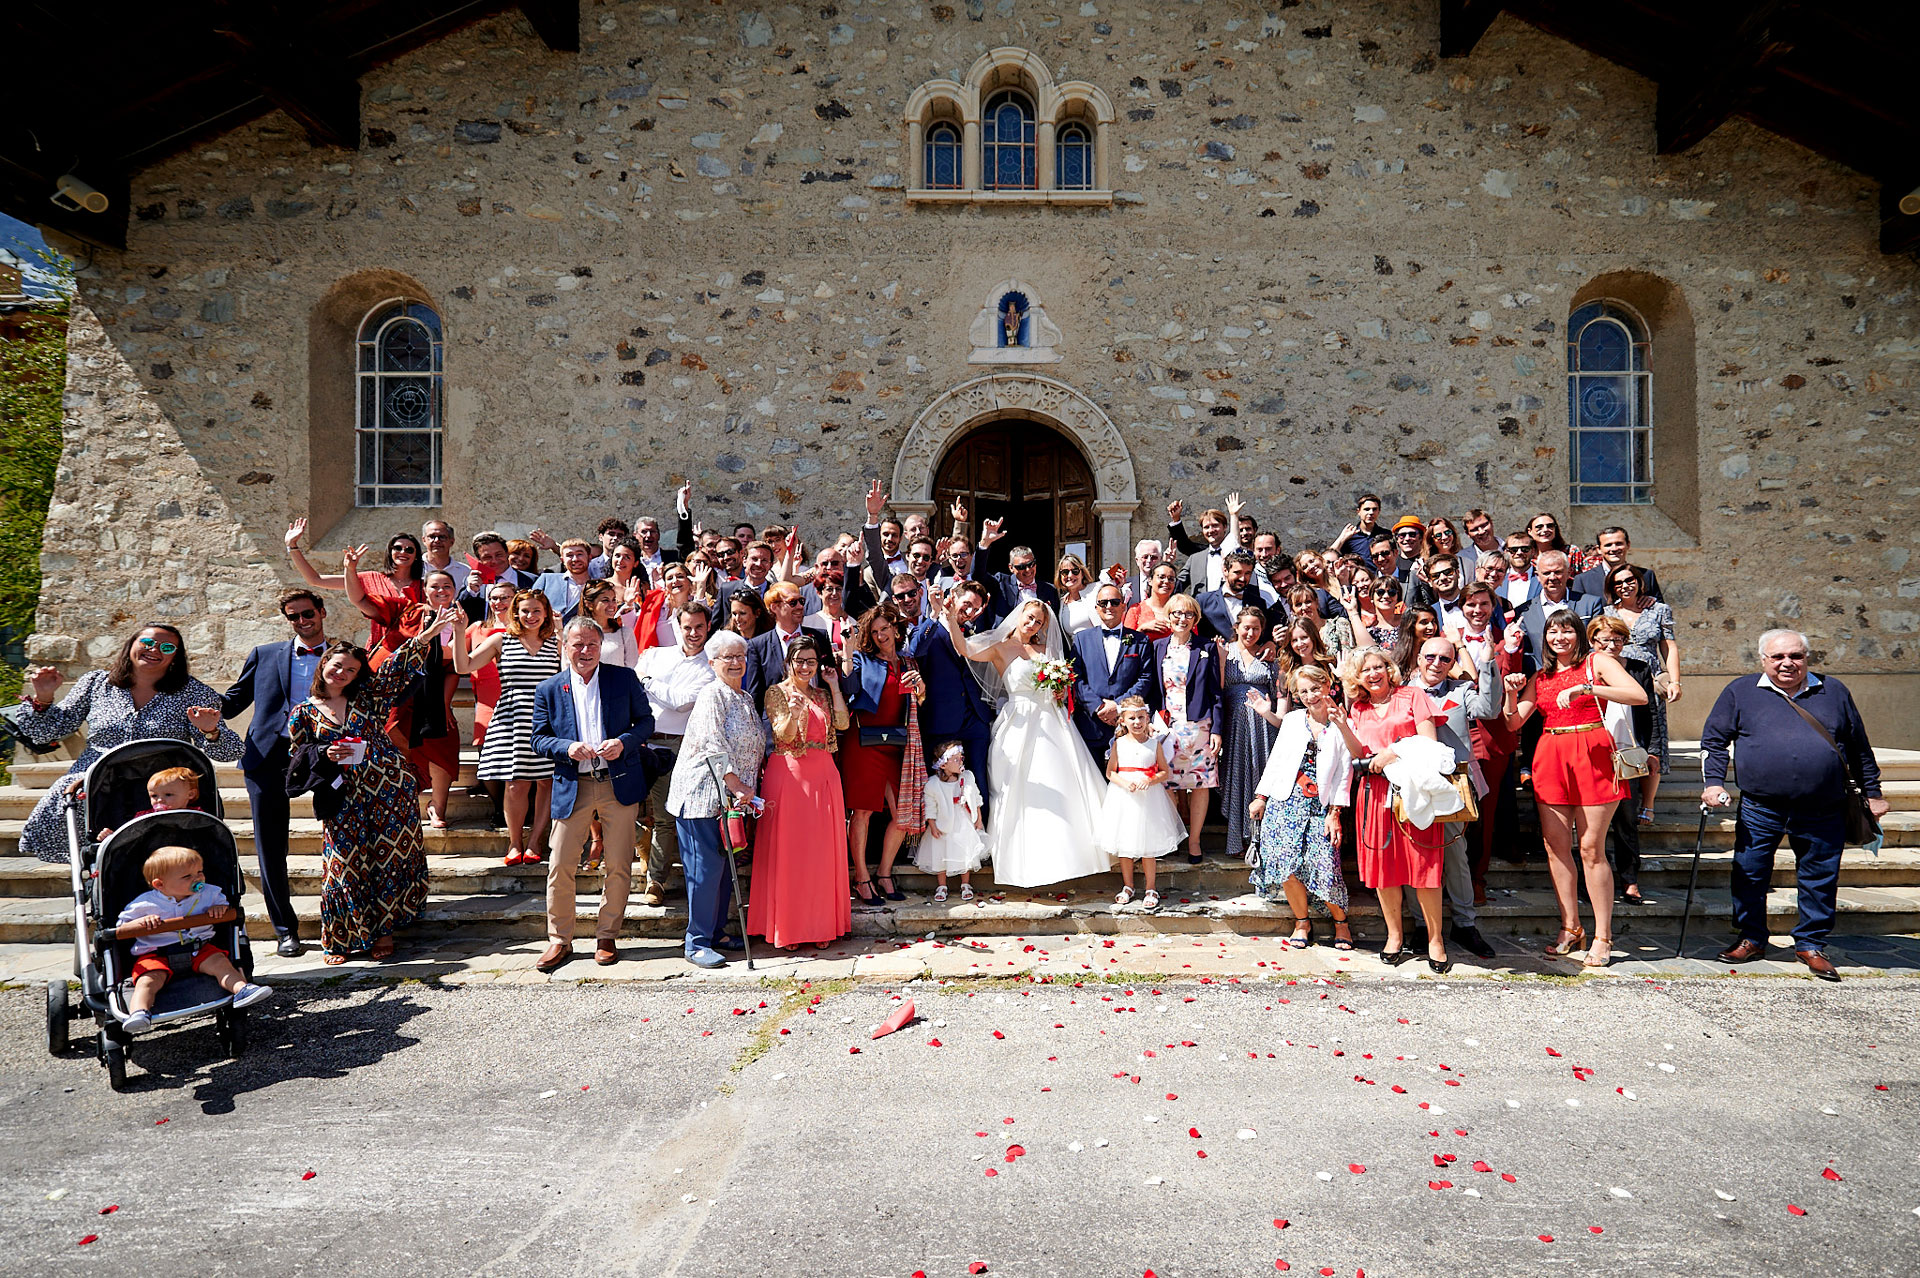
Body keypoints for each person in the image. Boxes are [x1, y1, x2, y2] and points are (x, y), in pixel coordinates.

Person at [1701, 629, 1886, 980]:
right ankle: (1751, 937)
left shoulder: (1834, 691)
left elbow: (1859, 746)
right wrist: (1713, 783)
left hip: (1823, 806)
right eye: (1778, 657)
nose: (1788, 663)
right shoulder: (1740, 691)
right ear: (1763, 660)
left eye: (1796, 656)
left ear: (1807, 658)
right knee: (1750, 872)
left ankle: (1810, 943)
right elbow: (1714, 741)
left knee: (1819, 876)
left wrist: (1873, 793)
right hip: (1761, 806)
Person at [291, 621, 453, 962]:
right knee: (343, 864)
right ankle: (341, 936)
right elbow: (297, 759)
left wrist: (423, 637)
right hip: (342, 795)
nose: (342, 673)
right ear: (324, 664)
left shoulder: (369, 698)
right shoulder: (303, 713)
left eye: (350, 670)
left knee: (388, 858)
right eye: (337, 666)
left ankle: (383, 931)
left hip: (388, 789)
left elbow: (395, 670)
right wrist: (324, 753)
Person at [16, 626, 243, 863]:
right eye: (147, 642)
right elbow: (44, 734)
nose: (154, 649)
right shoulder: (96, 683)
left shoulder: (194, 693)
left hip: (159, 787)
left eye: (167, 647)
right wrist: (43, 697)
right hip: (96, 782)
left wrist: (210, 731)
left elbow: (232, 752)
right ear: (131, 644)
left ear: (175, 656)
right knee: (71, 796)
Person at [1504, 609, 1648, 969]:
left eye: (1567, 631)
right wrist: (1509, 693)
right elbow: (1513, 722)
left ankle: (1603, 936)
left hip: (1593, 753)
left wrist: (1589, 688)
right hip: (1551, 754)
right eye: (1553, 632)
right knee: (1555, 847)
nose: (1560, 637)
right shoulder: (1543, 675)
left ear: (1578, 635)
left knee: (1590, 848)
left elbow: (1638, 694)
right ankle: (1571, 926)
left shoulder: (1596, 661)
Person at [941, 596, 1108, 887]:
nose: (1032, 624)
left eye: (1039, 621)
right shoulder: (1000, 648)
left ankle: (1070, 853)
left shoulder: (1046, 649)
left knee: (1062, 782)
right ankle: (1020, 858)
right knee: (1016, 787)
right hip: (1018, 722)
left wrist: (1058, 688)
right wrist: (952, 619)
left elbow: (1064, 687)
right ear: (1019, 615)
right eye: (1029, 618)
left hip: (1053, 722)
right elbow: (964, 649)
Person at [528, 618, 658, 972]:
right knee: (560, 864)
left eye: (591, 645)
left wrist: (623, 742)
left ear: (602, 647)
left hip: (618, 783)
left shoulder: (622, 678)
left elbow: (645, 722)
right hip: (574, 784)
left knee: (618, 864)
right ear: (564, 646)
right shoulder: (550, 688)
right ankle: (559, 939)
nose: (584, 651)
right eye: (577, 644)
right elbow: (537, 738)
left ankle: (606, 935)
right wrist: (567, 747)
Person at [217, 588, 333, 956]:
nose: (302, 621)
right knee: (270, 847)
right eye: (293, 616)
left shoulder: (342, 655)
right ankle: (286, 930)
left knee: (348, 838)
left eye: (307, 613)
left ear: (322, 611)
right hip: (268, 755)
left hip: (325, 754)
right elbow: (232, 702)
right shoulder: (265, 655)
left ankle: (349, 923)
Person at [1342, 646, 1450, 972]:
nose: (1374, 674)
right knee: (1383, 868)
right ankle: (1394, 935)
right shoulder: (1358, 708)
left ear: (1389, 668)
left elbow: (1430, 744)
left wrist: (1394, 751)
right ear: (1357, 678)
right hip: (1374, 793)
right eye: (1366, 671)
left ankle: (1435, 940)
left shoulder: (1412, 695)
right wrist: (1341, 725)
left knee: (1425, 867)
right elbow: (1356, 752)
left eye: (1379, 667)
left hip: (1414, 790)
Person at [666, 630, 763, 968]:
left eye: (740, 655)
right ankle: (696, 942)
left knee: (722, 871)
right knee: (704, 871)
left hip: (730, 802)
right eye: (728, 657)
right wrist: (737, 785)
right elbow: (712, 743)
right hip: (702, 798)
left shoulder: (744, 697)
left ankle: (717, 932)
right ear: (712, 662)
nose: (736, 662)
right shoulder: (712, 695)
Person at [748, 637, 853, 949]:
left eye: (811, 661)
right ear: (789, 663)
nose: (806, 667)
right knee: (791, 854)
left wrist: (834, 687)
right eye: (800, 661)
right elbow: (783, 736)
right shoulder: (776, 692)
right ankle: (789, 928)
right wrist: (793, 713)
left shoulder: (821, 693)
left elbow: (844, 725)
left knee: (820, 854)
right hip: (791, 774)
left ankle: (822, 925)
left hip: (824, 772)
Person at [1249, 665, 1363, 950]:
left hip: (1320, 806)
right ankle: (1302, 921)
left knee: (1326, 867)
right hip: (1284, 803)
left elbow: (1344, 773)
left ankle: (1341, 923)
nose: (1310, 696)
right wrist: (1261, 796)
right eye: (1303, 691)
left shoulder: (1342, 721)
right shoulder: (1292, 720)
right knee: (1286, 866)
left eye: (1315, 688)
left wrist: (1335, 813)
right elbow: (1277, 760)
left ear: (1327, 686)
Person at [346, 556, 463, 828]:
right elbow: (360, 600)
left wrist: (445, 705)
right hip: (396, 687)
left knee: (444, 741)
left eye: (447, 586)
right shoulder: (407, 610)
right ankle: (403, 791)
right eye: (435, 586)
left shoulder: (461, 619)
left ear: (455, 591)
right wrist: (349, 569)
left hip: (434, 690)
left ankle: (438, 807)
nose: (441, 591)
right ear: (425, 589)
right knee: (392, 735)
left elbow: (456, 667)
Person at [1404, 635, 1501, 960]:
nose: (1436, 664)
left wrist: (1487, 662)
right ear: (1419, 657)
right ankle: (1421, 925)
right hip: (1413, 785)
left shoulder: (1461, 691)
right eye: (1430, 656)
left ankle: (1464, 924)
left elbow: (1489, 709)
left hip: (1453, 786)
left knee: (1456, 857)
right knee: (1414, 856)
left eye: (1445, 659)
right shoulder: (1402, 691)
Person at [114, 846, 273, 1034]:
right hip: (156, 954)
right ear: (159, 884)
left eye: (199, 872)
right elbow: (120, 928)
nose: (198, 879)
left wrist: (218, 910)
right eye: (187, 877)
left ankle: (242, 989)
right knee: (147, 980)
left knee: (220, 963)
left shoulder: (209, 894)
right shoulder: (144, 904)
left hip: (199, 948)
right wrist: (141, 922)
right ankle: (139, 1012)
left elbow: (224, 907)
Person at [458, 590, 561, 866]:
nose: (530, 616)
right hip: (511, 715)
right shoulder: (501, 640)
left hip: (548, 717)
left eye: (536, 610)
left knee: (546, 782)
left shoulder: (556, 642)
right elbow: (463, 666)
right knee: (515, 783)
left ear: (546, 612)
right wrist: (458, 632)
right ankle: (515, 843)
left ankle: (537, 840)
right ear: (515, 612)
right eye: (525, 611)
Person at [838, 602, 928, 903]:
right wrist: (848, 652)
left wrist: (920, 687)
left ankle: (885, 873)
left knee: (902, 814)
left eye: (885, 629)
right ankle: (862, 878)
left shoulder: (909, 662)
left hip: (896, 744)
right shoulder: (864, 659)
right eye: (875, 632)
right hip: (863, 743)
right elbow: (849, 687)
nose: (880, 636)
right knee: (862, 811)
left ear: (895, 628)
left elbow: (920, 702)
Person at [636, 604, 714, 906]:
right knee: (617, 807)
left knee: (667, 817)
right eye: (687, 627)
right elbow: (637, 692)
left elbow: (681, 703)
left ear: (708, 627)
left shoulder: (710, 666)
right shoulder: (656, 654)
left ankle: (655, 880)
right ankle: (643, 843)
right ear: (676, 626)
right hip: (642, 741)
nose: (693, 634)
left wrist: (648, 681)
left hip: (679, 747)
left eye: (699, 627)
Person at [906, 579, 997, 814]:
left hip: (974, 720)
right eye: (967, 604)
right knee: (942, 786)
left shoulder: (971, 632)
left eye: (975, 608)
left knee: (978, 782)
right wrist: (935, 613)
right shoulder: (929, 628)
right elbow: (915, 651)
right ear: (952, 598)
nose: (970, 612)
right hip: (941, 720)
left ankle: (980, 837)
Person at [1603, 565, 1680, 823]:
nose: (1625, 586)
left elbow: (1669, 645)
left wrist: (1675, 680)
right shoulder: (1606, 612)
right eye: (1618, 583)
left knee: (1651, 740)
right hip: (1616, 677)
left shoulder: (1658, 609)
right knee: (1625, 736)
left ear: (1640, 582)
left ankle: (1648, 804)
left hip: (1648, 679)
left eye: (1630, 580)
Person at [284, 519, 425, 653]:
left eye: (409, 550)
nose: (403, 552)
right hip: (381, 651)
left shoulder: (425, 586)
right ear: (390, 552)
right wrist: (292, 546)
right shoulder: (371, 579)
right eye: (398, 548)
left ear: (416, 555)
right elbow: (315, 579)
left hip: (417, 651)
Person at [1588, 617, 1654, 906]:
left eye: (1618, 639)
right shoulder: (1586, 670)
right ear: (1592, 641)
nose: (1612, 645)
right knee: (1591, 825)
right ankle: (1589, 881)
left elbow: (1650, 712)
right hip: (1593, 753)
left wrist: (1650, 748)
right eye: (1604, 639)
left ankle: (1629, 880)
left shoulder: (1638, 669)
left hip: (1626, 752)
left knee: (1627, 819)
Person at [1154, 594, 1223, 864]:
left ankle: (1194, 840)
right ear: (1169, 617)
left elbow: (1215, 692)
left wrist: (1217, 730)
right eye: (1176, 614)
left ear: (1196, 619)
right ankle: (1173, 837)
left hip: (1199, 726)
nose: (1182, 619)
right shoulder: (1158, 647)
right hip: (1167, 726)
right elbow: (1152, 688)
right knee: (1166, 782)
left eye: (1188, 614)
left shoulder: (1205, 647)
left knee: (1200, 783)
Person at [1098, 696, 1185, 909]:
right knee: (1125, 846)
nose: (1137, 722)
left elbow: (1165, 772)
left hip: (1149, 800)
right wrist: (1124, 783)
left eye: (1141, 718)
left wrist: (1151, 779)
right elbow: (1111, 772)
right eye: (1132, 718)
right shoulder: (1118, 744)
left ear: (1147, 719)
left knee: (1148, 847)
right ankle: (1128, 886)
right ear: (1122, 721)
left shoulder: (1154, 745)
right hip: (1124, 798)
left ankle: (1150, 887)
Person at [1218, 604, 1288, 862]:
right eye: (1246, 627)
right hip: (1234, 728)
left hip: (1262, 729)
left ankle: (1263, 840)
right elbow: (1219, 689)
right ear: (1237, 628)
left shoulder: (1270, 656)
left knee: (1261, 780)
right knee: (1237, 780)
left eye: (1256, 629)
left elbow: (1280, 690)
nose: (1251, 633)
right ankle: (1237, 839)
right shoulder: (1226, 652)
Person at [1067, 584, 1157, 767]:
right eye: (1103, 602)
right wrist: (1098, 706)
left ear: (1123, 605)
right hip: (1091, 724)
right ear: (1096, 607)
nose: (1109, 606)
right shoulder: (1081, 639)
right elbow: (1075, 677)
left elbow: (1145, 678)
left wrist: (1118, 706)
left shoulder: (1140, 640)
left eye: (1114, 602)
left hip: (1129, 725)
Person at [916, 740, 987, 902]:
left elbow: (976, 798)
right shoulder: (933, 784)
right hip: (942, 824)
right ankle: (942, 885)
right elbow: (930, 807)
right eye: (955, 759)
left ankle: (965, 883)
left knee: (964, 851)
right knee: (940, 852)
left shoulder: (967, 777)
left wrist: (979, 818)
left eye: (961, 758)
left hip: (963, 823)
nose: (960, 761)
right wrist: (932, 825)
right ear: (943, 765)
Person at [744, 583, 830, 710]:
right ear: (774, 607)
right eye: (793, 603)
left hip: (817, 719)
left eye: (801, 601)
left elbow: (828, 681)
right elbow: (755, 694)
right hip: (778, 723)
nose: (800, 606)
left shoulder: (820, 637)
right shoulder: (758, 646)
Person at [1513, 550, 1600, 666]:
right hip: (1541, 678)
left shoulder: (1590, 604)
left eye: (1558, 572)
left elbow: (1597, 644)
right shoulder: (1524, 612)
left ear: (1569, 573)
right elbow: (1526, 653)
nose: (1552, 577)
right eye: (1546, 573)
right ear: (1537, 576)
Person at [1169, 493, 1246, 597]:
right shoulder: (1195, 558)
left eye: (1215, 526)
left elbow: (1235, 540)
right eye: (1206, 527)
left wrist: (1234, 516)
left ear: (1225, 527)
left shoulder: (1235, 553)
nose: (1211, 530)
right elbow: (1176, 586)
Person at [1573, 526, 1665, 602]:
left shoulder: (1646, 575)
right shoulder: (1583, 581)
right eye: (1608, 545)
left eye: (1619, 543)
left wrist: (1652, 600)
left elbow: (1661, 609)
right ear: (1599, 549)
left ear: (1628, 545)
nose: (1614, 549)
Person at [1196, 551, 1268, 642]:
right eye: (1238, 572)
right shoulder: (1203, 601)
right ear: (1225, 571)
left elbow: (1264, 635)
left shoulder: (1259, 602)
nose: (1242, 578)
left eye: (1247, 573)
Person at [986, 544, 1061, 624]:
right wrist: (984, 545)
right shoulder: (1001, 583)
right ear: (1011, 568)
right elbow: (978, 575)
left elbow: (1055, 622)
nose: (1028, 570)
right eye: (1021, 567)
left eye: (1031, 564)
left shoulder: (1050, 590)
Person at [531, 537, 597, 624]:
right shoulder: (546, 580)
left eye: (580, 554)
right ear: (562, 560)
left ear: (589, 557)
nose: (575, 559)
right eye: (569, 555)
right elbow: (530, 605)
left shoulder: (597, 586)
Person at [1125, 561, 1180, 641]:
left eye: (1171, 579)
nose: (1166, 582)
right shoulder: (1136, 610)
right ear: (1150, 580)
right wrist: (1141, 629)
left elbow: (1193, 639)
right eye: (1161, 577)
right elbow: (1126, 642)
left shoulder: (1181, 610)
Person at [419, 519, 471, 592]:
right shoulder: (415, 567)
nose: (437, 540)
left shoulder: (464, 571)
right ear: (424, 540)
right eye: (432, 536)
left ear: (452, 541)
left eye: (442, 537)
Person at [1056, 553, 1099, 636]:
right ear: (1060, 576)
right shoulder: (1061, 603)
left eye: (1075, 571)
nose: (1070, 575)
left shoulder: (1096, 590)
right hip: (1076, 648)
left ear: (1082, 574)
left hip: (1097, 646)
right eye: (1065, 572)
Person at [1331, 493, 1384, 560]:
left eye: (1374, 509)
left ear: (1379, 511)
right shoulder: (1350, 536)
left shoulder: (1385, 534)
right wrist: (1342, 538)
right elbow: (1329, 556)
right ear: (1358, 511)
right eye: (1367, 509)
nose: (1371, 512)